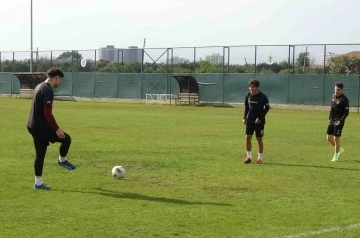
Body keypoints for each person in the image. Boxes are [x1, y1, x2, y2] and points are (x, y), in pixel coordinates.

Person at [27, 67, 76, 190]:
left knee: (40, 155)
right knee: (66, 139)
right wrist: (57, 129)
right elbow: (47, 113)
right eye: (59, 80)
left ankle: (38, 183)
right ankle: (62, 160)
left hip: (32, 125)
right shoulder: (48, 90)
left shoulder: (39, 86)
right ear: (56, 78)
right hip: (41, 126)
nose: (59, 83)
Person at [243, 79, 270, 164]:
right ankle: (248, 157)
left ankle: (260, 158)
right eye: (250, 87)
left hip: (259, 122)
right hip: (250, 121)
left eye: (253, 87)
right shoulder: (248, 95)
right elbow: (247, 107)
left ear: (257, 87)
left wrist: (260, 118)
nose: (251, 88)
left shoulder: (263, 96)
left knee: (259, 139)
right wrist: (244, 118)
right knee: (247, 137)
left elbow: (267, 108)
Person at [327, 82, 349, 162]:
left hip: (339, 122)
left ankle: (335, 156)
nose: (336, 91)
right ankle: (340, 149)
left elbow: (346, 112)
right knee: (329, 138)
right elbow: (331, 108)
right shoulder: (333, 96)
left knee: (336, 139)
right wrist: (330, 118)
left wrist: (340, 121)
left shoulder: (344, 100)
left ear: (342, 90)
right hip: (332, 120)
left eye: (338, 90)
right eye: (335, 89)